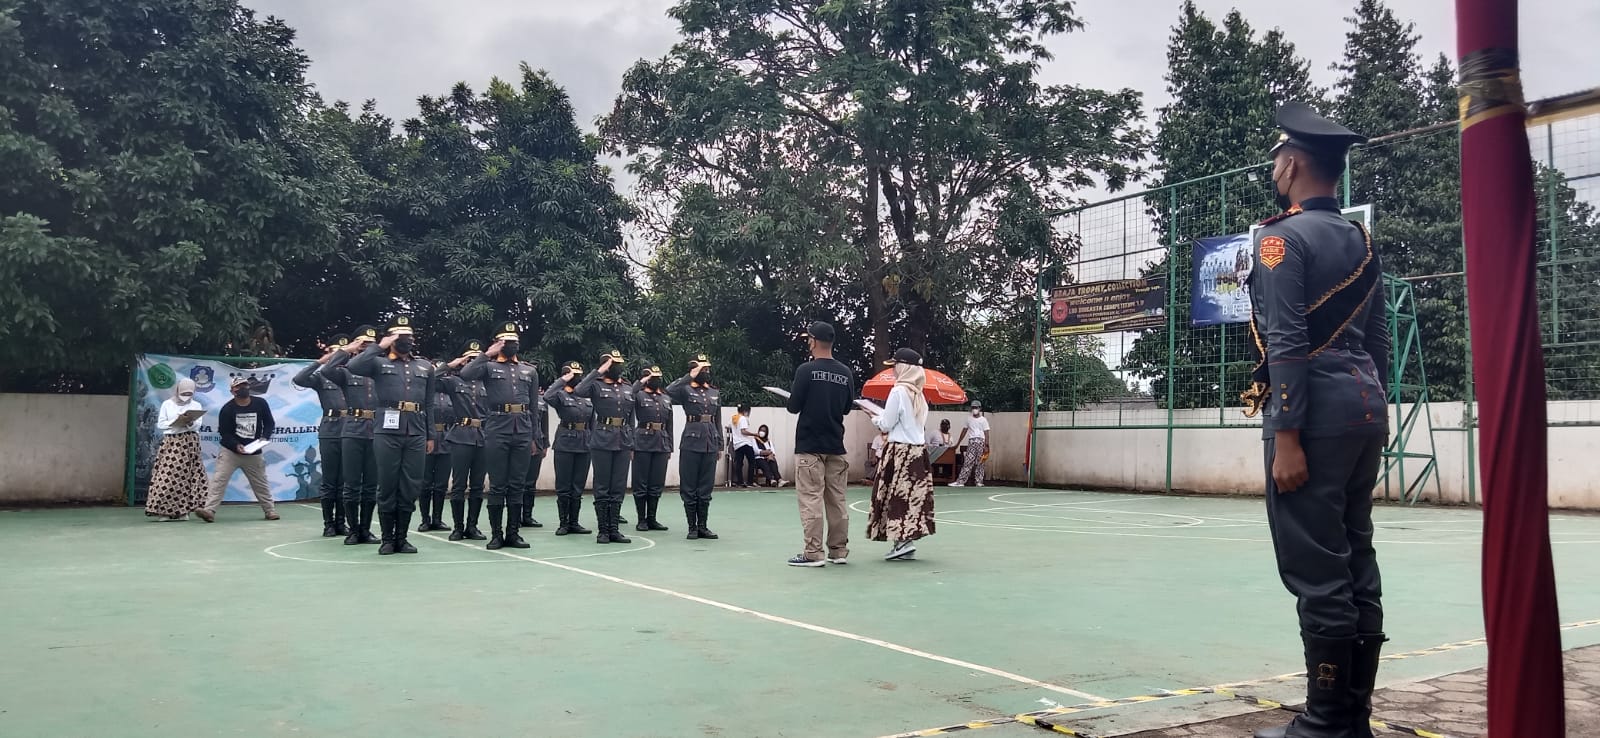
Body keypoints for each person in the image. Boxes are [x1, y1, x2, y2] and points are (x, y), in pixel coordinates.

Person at [1244, 102, 1389, 738]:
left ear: (1294, 162)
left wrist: (1287, 436)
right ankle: (1351, 716)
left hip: (1315, 420)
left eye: (1279, 157)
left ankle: (1327, 721)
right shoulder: (1359, 240)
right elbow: (1376, 338)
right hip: (1365, 410)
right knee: (1355, 551)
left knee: (1315, 565)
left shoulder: (1279, 239)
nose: (1277, 166)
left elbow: (1286, 342)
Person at [348, 315, 436, 555]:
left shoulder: (425, 367)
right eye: (399, 336)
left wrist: (430, 435)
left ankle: (402, 538)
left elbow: (429, 404)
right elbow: (353, 366)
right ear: (390, 338)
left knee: (410, 486)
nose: (405, 340)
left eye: (408, 336)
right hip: (387, 432)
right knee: (387, 484)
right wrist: (380, 346)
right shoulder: (378, 363)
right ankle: (388, 538)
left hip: (416, 431)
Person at [460, 321, 539, 550]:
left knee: (517, 485)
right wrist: (487, 354)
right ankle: (497, 534)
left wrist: (535, 437)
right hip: (497, 429)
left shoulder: (529, 370)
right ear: (498, 343)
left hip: (522, 430)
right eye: (506, 341)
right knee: (498, 485)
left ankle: (513, 533)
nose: (512, 345)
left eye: (514, 341)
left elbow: (533, 406)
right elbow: (466, 373)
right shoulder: (488, 366)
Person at [784, 322, 855, 567]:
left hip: (809, 446)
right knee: (837, 500)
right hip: (836, 444)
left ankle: (813, 553)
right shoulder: (845, 372)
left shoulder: (806, 370)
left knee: (811, 499)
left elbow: (793, 406)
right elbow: (846, 407)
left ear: (813, 341)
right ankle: (839, 550)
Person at [867, 348, 936, 561]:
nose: (894, 370)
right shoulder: (919, 395)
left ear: (904, 367)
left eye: (896, 365)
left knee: (894, 496)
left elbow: (886, 424)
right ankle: (905, 541)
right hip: (918, 452)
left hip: (899, 451)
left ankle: (902, 542)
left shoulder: (898, 391)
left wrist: (874, 417)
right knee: (912, 498)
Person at [323, 325, 381, 545]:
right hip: (353, 430)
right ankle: (353, 529)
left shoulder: (380, 369)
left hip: (376, 430)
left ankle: (365, 529)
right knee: (352, 483)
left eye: (370, 344)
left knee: (371, 484)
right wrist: (347, 350)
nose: (367, 348)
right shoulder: (346, 369)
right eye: (363, 344)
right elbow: (327, 371)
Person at [292, 333, 351, 537]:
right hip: (330, 428)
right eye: (333, 352)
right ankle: (328, 523)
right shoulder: (321, 376)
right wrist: (320, 362)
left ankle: (342, 523)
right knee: (330, 480)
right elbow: (299, 379)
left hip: (350, 428)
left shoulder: (351, 374)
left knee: (345, 480)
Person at [574, 351, 635, 544]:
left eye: (619, 364)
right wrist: (598, 372)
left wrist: (632, 441)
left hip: (623, 440)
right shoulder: (596, 385)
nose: (618, 367)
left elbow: (630, 416)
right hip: (602, 438)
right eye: (614, 364)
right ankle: (603, 530)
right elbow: (579, 390)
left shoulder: (626, 387)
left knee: (618, 486)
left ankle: (614, 529)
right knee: (602, 486)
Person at [197, 376, 278, 522]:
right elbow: (224, 433)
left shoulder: (260, 403)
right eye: (239, 386)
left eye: (245, 385)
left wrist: (265, 437)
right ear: (232, 391)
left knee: (261, 483)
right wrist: (236, 445)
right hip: (230, 453)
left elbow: (270, 423)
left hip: (254, 452)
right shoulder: (227, 409)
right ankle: (209, 511)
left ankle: (270, 511)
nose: (243, 388)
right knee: (219, 480)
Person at [666, 355, 721, 540]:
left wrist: (719, 444)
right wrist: (690, 375)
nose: (706, 373)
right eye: (702, 370)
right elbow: (669, 390)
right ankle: (692, 527)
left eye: (707, 369)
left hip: (710, 443)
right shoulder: (686, 389)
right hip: (691, 442)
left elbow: (717, 419)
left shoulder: (713, 392)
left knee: (705, 487)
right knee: (689, 487)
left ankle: (703, 526)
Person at [440, 340, 489, 541]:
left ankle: (472, 526)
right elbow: (429, 380)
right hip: (461, 434)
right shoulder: (453, 381)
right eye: (469, 359)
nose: (472, 362)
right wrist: (449, 365)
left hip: (484, 436)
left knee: (478, 485)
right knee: (459, 484)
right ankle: (458, 527)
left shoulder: (488, 381)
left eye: (475, 359)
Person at [143, 378, 208, 521]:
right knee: (167, 476)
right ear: (178, 390)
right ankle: (164, 511)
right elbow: (161, 424)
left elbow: (197, 425)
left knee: (187, 477)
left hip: (190, 443)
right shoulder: (168, 404)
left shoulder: (196, 405)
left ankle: (183, 511)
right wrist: (176, 422)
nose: (186, 396)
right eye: (184, 392)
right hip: (172, 442)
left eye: (189, 393)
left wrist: (189, 422)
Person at [545, 360, 595, 536]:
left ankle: (574, 522)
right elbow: (547, 396)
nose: (577, 378)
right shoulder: (559, 395)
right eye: (574, 375)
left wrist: (593, 443)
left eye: (579, 375)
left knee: (577, 486)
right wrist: (562, 380)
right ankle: (563, 523)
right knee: (564, 485)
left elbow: (592, 424)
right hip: (565, 443)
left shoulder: (585, 398)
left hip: (584, 444)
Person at [630, 365, 673, 531]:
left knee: (656, 483)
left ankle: (652, 518)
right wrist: (641, 382)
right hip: (642, 441)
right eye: (653, 377)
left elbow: (670, 424)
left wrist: (670, 446)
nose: (657, 380)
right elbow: (629, 393)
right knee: (641, 482)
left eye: (658, 377)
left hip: (661, 442)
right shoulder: (638, 395)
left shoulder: (666, 398)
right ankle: (641, 519)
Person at [419, 358, 457, 533]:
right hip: (428, 439)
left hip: (447, 440)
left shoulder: (451, 394)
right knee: (426, 483)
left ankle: (437, 519)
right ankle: (425, 520)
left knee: (441, 484)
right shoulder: (426, 392)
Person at [521, 386, 549, 529]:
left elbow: (544, 424)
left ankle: (527, 515)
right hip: (521, 442)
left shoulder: (541, 402)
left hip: (537, 443)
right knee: (516, 482)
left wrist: (545, 445)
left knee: (531, 483)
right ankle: (514, 516)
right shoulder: (518, 399)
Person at [951, 401, 990, 487]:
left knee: (980, 462)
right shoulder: (968, 419)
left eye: (976, 408)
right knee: (968, 462)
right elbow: (964, 431)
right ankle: (961, 481)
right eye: (973, 408)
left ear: (980, 408)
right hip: (972, 442)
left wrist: (986, 445)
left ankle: (979, 481)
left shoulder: (983, 420)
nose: (974, 409)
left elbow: (986, 432)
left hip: (981, 442)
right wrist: (958, 443)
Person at [729, 405, 759, 487]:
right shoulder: (743, 418)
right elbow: (743, 431)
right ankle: (750, 481)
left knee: (739, 463)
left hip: (737, 444)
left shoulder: (734, 419)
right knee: (752, 462)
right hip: (745, 443)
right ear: (746, 411)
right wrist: (754, 434)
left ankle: (740, 482)